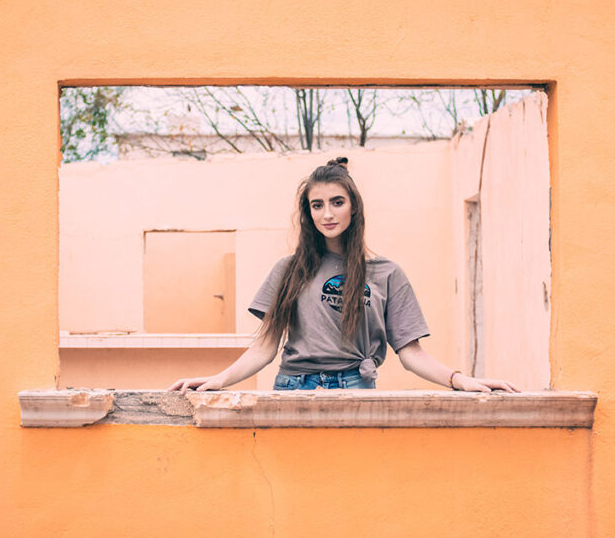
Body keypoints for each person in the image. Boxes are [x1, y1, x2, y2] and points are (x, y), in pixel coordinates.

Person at [168, 157, 518, 394]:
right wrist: (218, 380)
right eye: (316, 205)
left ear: (354, 207)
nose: (327, 214)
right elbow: (264, 347)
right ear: (308, 213)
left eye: (337, 202)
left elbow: (410, 354)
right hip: (293, 388)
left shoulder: (386, 274)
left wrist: (461, 381)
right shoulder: (288, 270)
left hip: (354, 387)